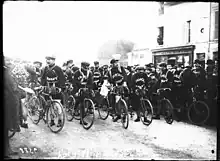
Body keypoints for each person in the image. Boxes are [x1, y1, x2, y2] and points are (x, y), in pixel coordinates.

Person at [40, 54, 66, 127]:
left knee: (57, 106)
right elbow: (43, 78)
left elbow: (62, 79)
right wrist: (42, 85)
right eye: (47, 59)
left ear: (54, 60)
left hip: (56, 89)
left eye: (50, 59)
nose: (48, 61)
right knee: (49, 106)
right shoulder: (45, 68)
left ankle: (60, 120)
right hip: (48, 89)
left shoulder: (58, 68)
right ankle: (51, 121)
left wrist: (61, 87)